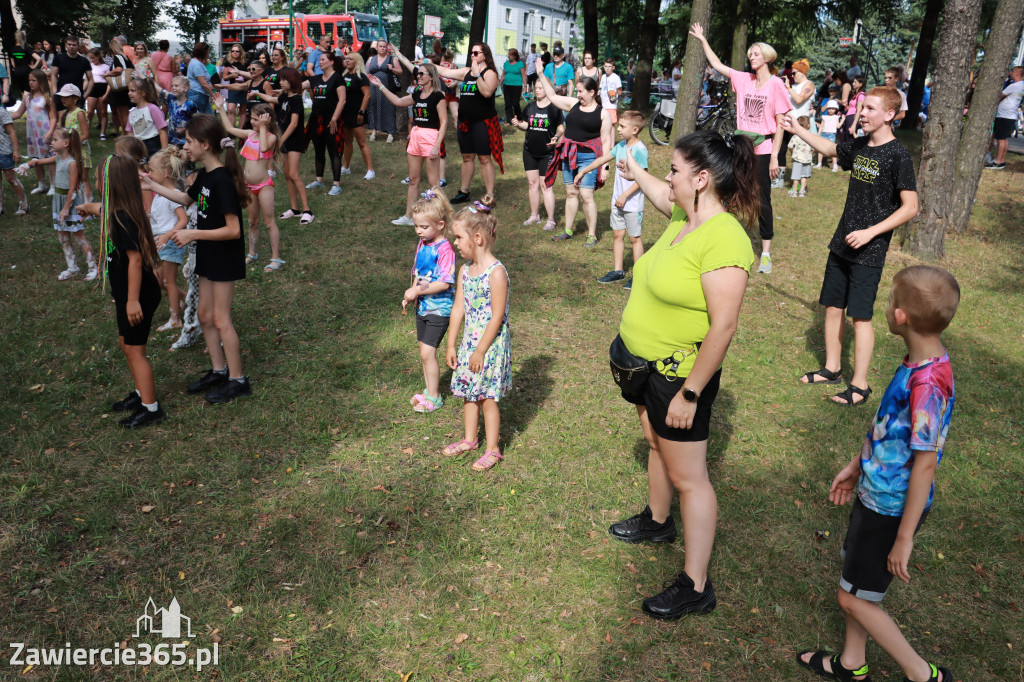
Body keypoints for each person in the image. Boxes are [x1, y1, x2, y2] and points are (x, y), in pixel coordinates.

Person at [608, 130, 757, 620]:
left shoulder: (725, 238)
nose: (667, 178)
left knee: (690, 478)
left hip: (680, 377)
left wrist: (690, 394)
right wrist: (637, 172)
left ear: (701, 178)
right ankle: (657, 521)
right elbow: (657, 191)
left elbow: (725, 325)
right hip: (644, 365)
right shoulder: (682, 217)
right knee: (655, 444)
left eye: (675, 170)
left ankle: (695, 585)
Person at [797, 265, 959, 682]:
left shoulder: (927, 384)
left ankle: (922, 674)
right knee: (856, 585)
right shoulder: (918, 364)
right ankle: (852, 663)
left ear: (901, 316)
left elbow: (924, 463)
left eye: (890, 301)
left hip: (891, 509)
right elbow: (888, 428)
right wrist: (856, 466)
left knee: (853, 601)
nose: (886, 307)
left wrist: (903, 537)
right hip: (876, 495)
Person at [785, 86, 918, 406]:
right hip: (842, 242)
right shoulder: (860, 145)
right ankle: (832, 368)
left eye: (870, 109)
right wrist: (799, 130)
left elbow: (910, 207)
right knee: (832, 307)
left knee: (860, 316)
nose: (863, 114)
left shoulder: (898, 155)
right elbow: (831, 151)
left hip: (868, 251)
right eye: (862, 107)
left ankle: (859, 385)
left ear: (889, 115)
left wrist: (871, 233)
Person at [140, 114, 253, 404]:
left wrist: (193, 235)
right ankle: (219, 370)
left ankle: (238, 380)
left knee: (220, 318)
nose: (185, 146)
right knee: (204, 315)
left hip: (223, 257)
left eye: (189, 141)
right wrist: (152, 186)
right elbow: (187, 200)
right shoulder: (203, 175)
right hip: (208, 253)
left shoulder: (222, 181)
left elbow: (233, 230)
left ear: (205, 144)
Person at [690, 22, 790, 274]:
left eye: (755, 54)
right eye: (749, 55)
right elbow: (717, 65)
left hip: (764, 148)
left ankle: (765, 253)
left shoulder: (777, 85)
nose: (751, 57)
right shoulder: (744, 79)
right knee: (728, 188)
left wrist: (776, 156)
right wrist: (703, 40)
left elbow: (780, 125)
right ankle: (721, 235)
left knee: (762, 198)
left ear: (767, 57)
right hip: (740, 144)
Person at [89, 156, 165, 427]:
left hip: (138, 296)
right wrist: (88, 207)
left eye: (100, 178)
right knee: (126, 345)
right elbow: (101, 210)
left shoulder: (124, 217)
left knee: (135, 351)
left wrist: (133, 300)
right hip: (125, 295)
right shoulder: (117, 211)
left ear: (112, 184)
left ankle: (151, 409)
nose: (96, 182)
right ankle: (140, 394)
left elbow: (134, 260)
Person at [443, 195, 511, 472]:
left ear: (478, 238)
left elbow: (497, 316)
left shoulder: (496, 273)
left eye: (459, 238)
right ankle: (470, 439)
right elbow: (458, 308)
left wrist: (481, 350)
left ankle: (492, 449)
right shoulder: (464, 271)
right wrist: (451, 344)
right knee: (468, 393)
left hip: (489, 345)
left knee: (486, 397)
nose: (455, 244)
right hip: (469, 343)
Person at [536, 59, 614, 247]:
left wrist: (605, 167)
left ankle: (592, 235)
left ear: (592, 92)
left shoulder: (603, 114)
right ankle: (568, 231)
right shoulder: (573, 105)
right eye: (577, 91)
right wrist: (540, 74)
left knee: (586, 196)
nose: (577, 95)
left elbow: (605, 142)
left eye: (580, 92)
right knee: (571, 193)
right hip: (569, 155)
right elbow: (553, 97)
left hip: (588, 158)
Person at [369, 56, 447, 225]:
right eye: (417, 74)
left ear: (431, 77)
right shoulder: (417, 93)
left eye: (421, 74)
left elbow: (444, 122)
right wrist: (380, 86)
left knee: (434, 182)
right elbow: (398, 101)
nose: (418, 76)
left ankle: (438, 217)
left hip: (430, 137)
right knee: (413, 179)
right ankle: (408, 216)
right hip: (416, 136)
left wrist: (436, 145)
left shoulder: (438, 96)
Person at [576, 110, 648, 287]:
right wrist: (584, 171)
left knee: (634, 238)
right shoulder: (621, 146)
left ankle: (638, 275)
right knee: (617, 234)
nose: (619, 129)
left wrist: (625, 195)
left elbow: (643, 179)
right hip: (618, 201)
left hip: (632, 203)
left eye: (623, 126)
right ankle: (618, 271)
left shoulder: (640, 150)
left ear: (635, 130)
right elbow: (602, 159)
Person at [402, 188, 456, 413]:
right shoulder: (424, 243)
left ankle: (434, 397)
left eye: (424, 227)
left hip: (439, 309)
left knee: (427, 352)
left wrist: (417, 291)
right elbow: (419, 273)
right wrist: (413, 291)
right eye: (416, 226)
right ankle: (428, 390)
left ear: (440, 225)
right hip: (423, 306)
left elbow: (444, 282)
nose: (418, 231)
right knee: (422, 350)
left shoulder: (445, 250)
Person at [214, 96, 282, 273]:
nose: (251, 121)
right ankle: (252, 253)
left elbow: (265, 148)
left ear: (266, 120)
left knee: (269, 222)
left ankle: (275, 257)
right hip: (249, 186)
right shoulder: (249, 134)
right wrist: (220, 107)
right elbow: (229, 128)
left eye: (255, 119)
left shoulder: (271, 137)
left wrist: (265, 127)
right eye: (251, 118)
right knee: (252, 221)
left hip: (264, 185)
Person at [435, 44, 503, 204]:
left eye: (475, 52)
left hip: (482, 123)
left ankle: (489, 195)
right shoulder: (466, 72)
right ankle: (464, 192)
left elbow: (487, 92)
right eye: (471, 52)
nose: (472, 55)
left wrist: (478, 74)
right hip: (465, 123)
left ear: (484, 55)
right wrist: (425, 63)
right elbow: (445, 71)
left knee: (485, 159)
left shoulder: (490, 73)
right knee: (467, 157)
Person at [27, 128, 97, 280]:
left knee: (78, 236)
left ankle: (92, 266)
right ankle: (72, 267)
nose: (51, 142)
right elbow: (39, 161)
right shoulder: (58, 158)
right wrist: (27, 165)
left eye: (54, 140)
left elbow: (72, 189)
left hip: (70, 203)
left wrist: (66, 209)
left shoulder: (72, 163)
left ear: (65, 143)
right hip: (58, 201)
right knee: (63, 236)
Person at [253, 67, 313, 224]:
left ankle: (307, 211)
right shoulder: (285, 98)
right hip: (285, 140)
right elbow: (272, 100)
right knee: (287, 175)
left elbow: (293, 124)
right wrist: (257, 93)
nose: (280, 82)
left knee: (293, 174)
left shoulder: (296, 100)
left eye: (283, 80)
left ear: (291, 81)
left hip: (293, 141)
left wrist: (280, 140)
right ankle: (294, 209)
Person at [146, 146, 190, 332]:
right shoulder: (160, 193)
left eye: (151, 170)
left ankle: (175, 318)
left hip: (171, 242)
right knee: (160, 281)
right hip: (160, 242)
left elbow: (184, 220)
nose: (148, 173)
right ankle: (187, 299)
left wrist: (167, 235)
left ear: (164, 173)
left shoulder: (173, 195)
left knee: (169, 282)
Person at [511, 80, 564, 231]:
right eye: (536, 88)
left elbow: (561, 126)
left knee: (545, 185)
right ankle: (535, 216)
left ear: (548, 89)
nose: (537, 91)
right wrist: (518, 124)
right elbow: (528, 125)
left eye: (541, 88)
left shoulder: (554, 108)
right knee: (532, 184)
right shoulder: (531, 106)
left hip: (547, 152)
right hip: (529, 151)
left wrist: (557, 136)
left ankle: (551, 220)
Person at [303, 53, 347, 197]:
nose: (319, 62)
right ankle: (319, 180)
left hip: (332, 120)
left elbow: (342, 100)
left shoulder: (338, 78)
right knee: (318, 150)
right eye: (319, 60)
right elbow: (298, 87)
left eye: (322, 59)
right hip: (317, 119)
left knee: (334, 151)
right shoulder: (315, 79)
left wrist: (334, 118)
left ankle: (336, 184)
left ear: (331, 61)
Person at [12, 70, 57, 195]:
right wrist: (5, 116)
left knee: (49, 158)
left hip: (45, 132)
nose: (31, 83)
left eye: (34, 80)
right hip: (32, 133)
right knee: (36, 157)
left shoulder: (47, 97)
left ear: (41, 81)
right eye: (29, 80)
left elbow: (53, 117)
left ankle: (53, 185)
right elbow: (18, 113)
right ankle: (41, 184)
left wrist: (50, 132)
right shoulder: (28, 98)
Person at [339, 53, 374, 180]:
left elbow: (367, 95)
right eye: (346, 59)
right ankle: (346, 167)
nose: (347, 61)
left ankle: (370, 170)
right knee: (347, 141)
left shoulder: (361, 77)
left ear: (357, 61)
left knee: (361, 142)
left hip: (357, 113)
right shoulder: (344, 75)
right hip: (345, 113)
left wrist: (361, 112)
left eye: (350, 59)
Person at [780, 59, 815, 183]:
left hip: (800, 124)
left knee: (801, 153)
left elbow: (799, 99)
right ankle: (779, 179)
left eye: (794, 73)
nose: (792, 76)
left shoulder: (809, 84)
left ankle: (800, 182)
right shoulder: (794, 86)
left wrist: (788, 87)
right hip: (787, 122)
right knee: (781, 149)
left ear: (802, 72)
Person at [985, 65, 1023, 170]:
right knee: (1005, 139)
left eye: (1013, 71)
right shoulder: (1021, 85)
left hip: (1004, 115)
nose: (1010, 73)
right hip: (1011, 115)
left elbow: (1000, 96)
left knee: (1001, 139)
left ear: (1017, 73)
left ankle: (998, 161)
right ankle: (1002, 160)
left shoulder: (1014, 86)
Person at [366, 41, 401, 143]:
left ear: (387, 48)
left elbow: (400, 71)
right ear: (377, 48)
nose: (382, 48)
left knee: (389, 108)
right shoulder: (371, 59)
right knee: (373, 107)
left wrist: (392, 69)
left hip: (388, 87)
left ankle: (390, 133)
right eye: (380, 46)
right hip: (373, 87)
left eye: (384, 47)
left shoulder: (392, 59)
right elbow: (366, 71)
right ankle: (374, 131)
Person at [49, 36, 93, 113]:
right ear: (66, 45)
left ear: (78, 46)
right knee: (60, 119)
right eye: (69, 44)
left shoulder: (84, 61)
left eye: (74, 45)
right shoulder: (59, 58)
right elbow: (53, 75)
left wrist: (85, 96)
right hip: (61, 93)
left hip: (77, 95)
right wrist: (55, 91)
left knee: (76, 120)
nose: (71, 47)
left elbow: (91, 79)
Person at [127, 78, 168, 157]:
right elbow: (130, 133)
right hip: (138, 147)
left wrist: (164, 152)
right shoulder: (131, 112)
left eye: (132, 91)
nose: (129, 93)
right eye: (129, 90)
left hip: (154, 146)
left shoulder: (153, 109)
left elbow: (162, 131)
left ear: (143, 93)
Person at [0, 102, 28, 216]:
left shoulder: (2, 112)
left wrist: (16, 151)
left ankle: (24, 205)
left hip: (5, 151)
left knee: (11, 178)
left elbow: (11, 131)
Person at [161, 76, 199, 147]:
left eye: (176, 85)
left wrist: (185, 129)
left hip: (184, 141)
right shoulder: (171, 100)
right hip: (171, 140)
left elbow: (197, 122)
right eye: (172, 85)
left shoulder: (190, 105)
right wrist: (144, 77)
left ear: (185, 88)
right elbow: (160, 91)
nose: (173, 88)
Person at [107, 38, 134, 135]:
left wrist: (106, 74)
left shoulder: (117, 57)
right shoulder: (125, 57)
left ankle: (127, 134)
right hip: (127, 88)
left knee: (123, 114)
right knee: (125, 113)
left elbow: (118, 70)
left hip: (120, 89)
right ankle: (125, 133)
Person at [221, 44, 250, 127]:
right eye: (233, 51)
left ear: (240, 52)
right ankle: (232, 131)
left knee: (243, 110)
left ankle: (241, 131)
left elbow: (250, 75)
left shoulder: (246, 62)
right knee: (230, 109)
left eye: (237, 51)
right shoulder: (228, 63)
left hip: (244, 87)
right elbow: (225, 77)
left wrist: (241, 74)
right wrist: (231, 76)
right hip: (233, 88)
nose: (235, 53)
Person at [787, 116, 814, 197]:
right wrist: (810, 153)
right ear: (808, 125)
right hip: (807, 159)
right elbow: (813, 148)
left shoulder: (796, 136)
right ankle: (802, 191)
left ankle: (794, 192)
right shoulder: (810, 136)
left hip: (798, 159)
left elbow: (790, 146)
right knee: (804, 176)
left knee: (796, 177)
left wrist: (792, 153)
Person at [86, 49, 110, 139]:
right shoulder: (89, 66)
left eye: (93, 58)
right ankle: (86, 130)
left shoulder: (106, 67)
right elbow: (86, 80)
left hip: (102, 88)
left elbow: (109, 83)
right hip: (92, 88)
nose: (92, 60)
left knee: (103, 112)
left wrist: (106, 94)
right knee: (90, 111)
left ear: (98, 57)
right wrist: (84, 90)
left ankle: (102, 133)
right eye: (90, 58)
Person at [186, 42, 215, 113]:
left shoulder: (194, 62)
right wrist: (213, 95)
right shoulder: (197, 65)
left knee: (208, 118)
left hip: (199, 95)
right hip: (198, 95)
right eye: (208, 51)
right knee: (206, 119)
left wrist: (209, 83)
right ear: (203, 52)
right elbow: (203, 83)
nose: (208, 54)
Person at [500, 48, 526, 124]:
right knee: (508, 103)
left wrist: (525, 86)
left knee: (515, 103)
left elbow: (523, 76)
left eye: (510, 55)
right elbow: (503, 75)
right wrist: (499, 83)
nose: (508, 56)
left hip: (517, 86)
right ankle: (509, 120)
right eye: (508, 54)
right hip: (506, 85)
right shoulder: (506, 64)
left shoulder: (520, 63)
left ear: (515, 56)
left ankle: (519, 118)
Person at [817, 100, 843, 171]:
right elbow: (821, 126)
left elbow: (838, 126)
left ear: (835, 109)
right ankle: (819, 163)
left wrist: (842, 120)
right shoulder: (824, 117)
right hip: (823, 134)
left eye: (832, 109)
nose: (831, 110)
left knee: (832, 150)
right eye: (829, 108)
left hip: (831, 135)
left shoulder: (836, 117)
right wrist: (818, 134)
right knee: (820, 149)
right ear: (827, 109)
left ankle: (835, 165)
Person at [842, 75, 867, 144]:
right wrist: (846, 106)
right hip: (848, 117)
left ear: (861, 84)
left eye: (855, 82)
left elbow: (859, 111)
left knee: (850, 142)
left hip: (853, 118)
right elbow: (853, 108)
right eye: (853, 82)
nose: (853, 83)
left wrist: (853, 125)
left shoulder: (861, 95)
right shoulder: (855, 94)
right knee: (844, 141)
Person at [598, 58, 622, 125]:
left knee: (611, 124)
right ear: (603, 66)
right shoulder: (603, 76)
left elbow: (620, 91)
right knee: (603, 123)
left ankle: (612, 136)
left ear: (613, 67)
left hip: (611, 105)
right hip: (603, 105)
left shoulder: (616, 77)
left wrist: (613, 94)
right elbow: (600, 88)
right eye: (606, 66)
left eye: (609, 66)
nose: (607, 68)